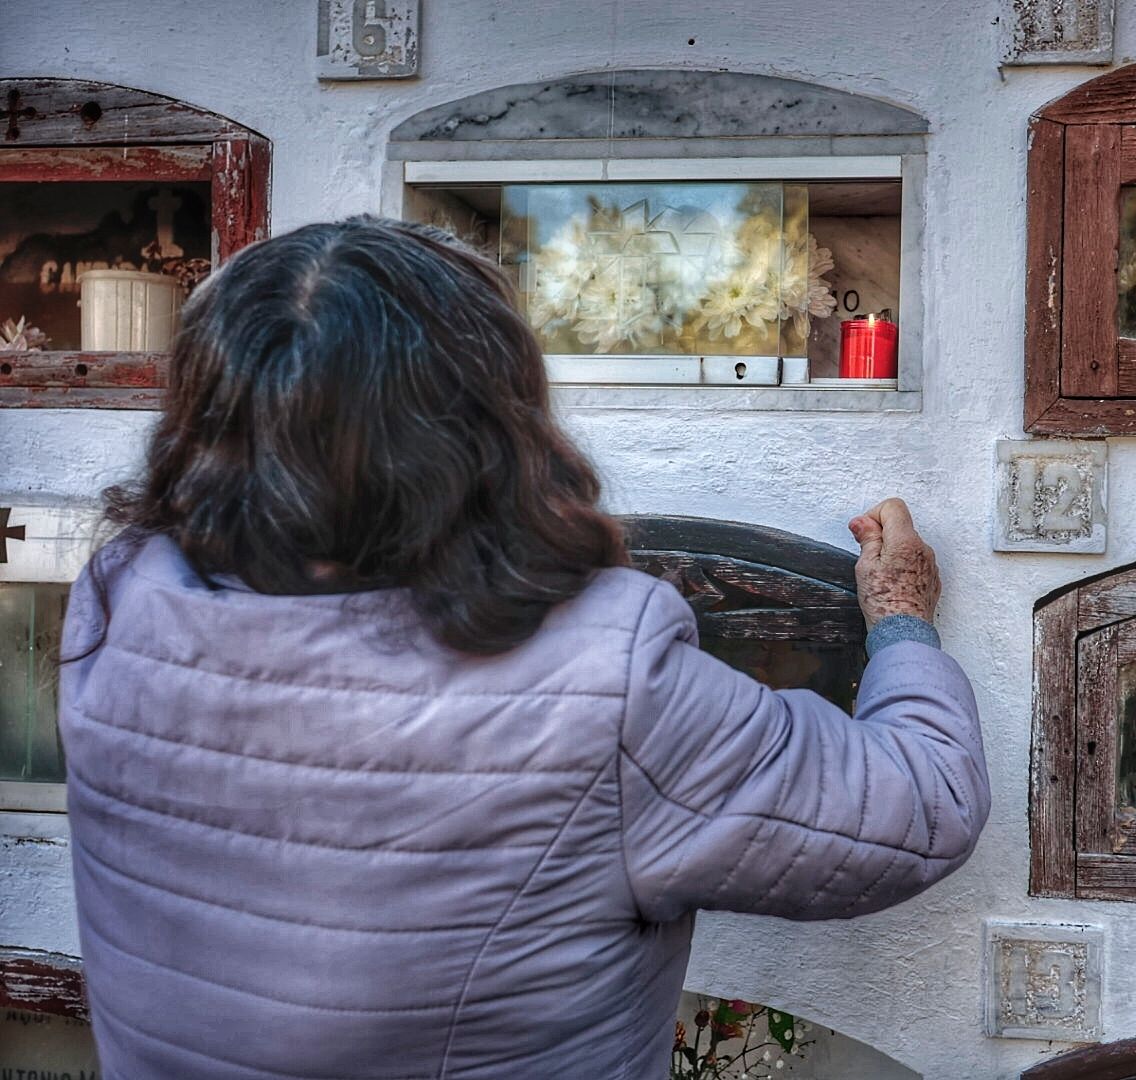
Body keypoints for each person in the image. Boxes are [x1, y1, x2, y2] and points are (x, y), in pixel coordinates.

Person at [57, 216, 990, 1079]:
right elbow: (919, 803)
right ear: (490, 420)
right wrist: (902, 618)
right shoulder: (597, 674)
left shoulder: (120, 601)